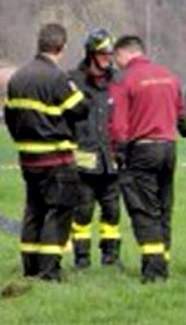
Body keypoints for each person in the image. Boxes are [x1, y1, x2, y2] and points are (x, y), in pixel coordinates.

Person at [4, 23, 89, 281]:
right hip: (56, 157)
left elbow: (10, 116)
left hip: (28, 157)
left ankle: (30, 266)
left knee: (34, 209)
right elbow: (81, 110)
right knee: (59, 211)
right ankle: (50, 270)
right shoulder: (57, 78)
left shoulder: (17, 78)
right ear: (61, 47)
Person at [109, 35, 186, 283]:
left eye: (116, 57)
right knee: (164, 206)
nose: (115, 62)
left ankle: (154, 271)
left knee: (144, 209)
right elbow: (182, 115)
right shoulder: (169, 76)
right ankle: (162, 258)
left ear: (124, 53)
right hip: (168, 148)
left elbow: (119, 123)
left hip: (141, 150)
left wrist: (118, 152)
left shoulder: (124, 80)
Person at [68, 28, 122, 268]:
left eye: (110, 54)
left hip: (111, 157)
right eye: (102, 54)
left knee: (112, 211)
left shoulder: (117, 81)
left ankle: (110, 257)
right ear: (91, 54)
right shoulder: (74, 81)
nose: (107, 59)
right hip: (84, 157)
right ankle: (82, 259)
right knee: (83, 212)